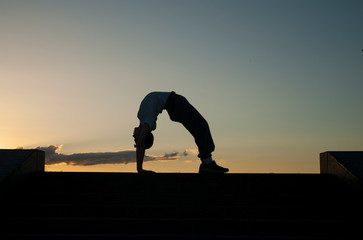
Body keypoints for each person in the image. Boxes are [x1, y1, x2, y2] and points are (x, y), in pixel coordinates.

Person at [133, 91, 229, 174]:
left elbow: (141, 141)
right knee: (201, 125)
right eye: (135, 138)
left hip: (175, 103)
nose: (133, 135)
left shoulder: (142, 117)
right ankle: (207, 163)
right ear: (144, 136)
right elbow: (141, 142)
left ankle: (207, 162)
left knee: (200, 125)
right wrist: (139, 169)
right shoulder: (148, 121)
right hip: (175, 103)